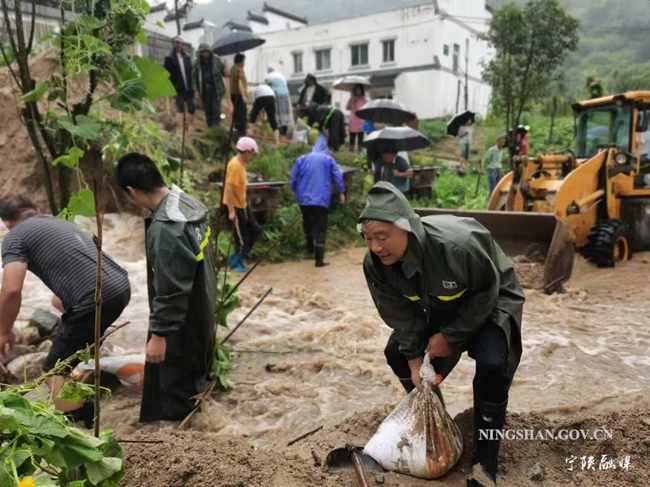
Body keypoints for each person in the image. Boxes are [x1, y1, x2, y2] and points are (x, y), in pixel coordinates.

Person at [358, 182, 524, 487]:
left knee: (492, 365)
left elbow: (488, 290)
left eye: (382, 237)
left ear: (406, 228)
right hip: (440, 305)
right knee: (397, 354)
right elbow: (402, 317)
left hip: (492, 300)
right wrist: (413, 362)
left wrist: (450, 336)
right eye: (368, 238)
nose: (375, 247)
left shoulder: (454, 247)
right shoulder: (377, 265)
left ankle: (486, 463)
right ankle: (437, 431)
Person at [0, 196, 131, 420]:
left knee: (53, 370)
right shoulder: (59, 222)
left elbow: (11, 289)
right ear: (36, 209)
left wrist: (3, 331)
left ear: (8, 223)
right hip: (121, 286)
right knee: (57, 302)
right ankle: (92, 346)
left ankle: (77, 427)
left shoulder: (14, 237)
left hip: (94, 298)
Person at [114, 154, 216, 424]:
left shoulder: (166, 230)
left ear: (132, 191)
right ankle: (198, 425)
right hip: (202, 308)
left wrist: (159, 334)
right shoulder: (185, 202)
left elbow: (172, 289)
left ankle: (184, 444)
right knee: (193, 378)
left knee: (175, 386)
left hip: (181, 323)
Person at [290, 134, 346, 267]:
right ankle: (319, 259)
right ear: (325, 148)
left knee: (307, 223)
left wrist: (297, 191)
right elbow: (337, 177)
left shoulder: (302, 159)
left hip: (304, 200)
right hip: (321, 199)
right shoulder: (328, 159)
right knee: (320, 227)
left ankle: (309, 249)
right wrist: (341, 192)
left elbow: (293, 179)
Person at [224, 137, 261, 273]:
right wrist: (231, 211)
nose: (252, 157)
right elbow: (228, 189)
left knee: (255, 230)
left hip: (243, 205)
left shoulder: (241, 164)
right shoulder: (234, 165)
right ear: (246, 152)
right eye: (252, 154)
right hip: (235, 206)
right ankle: (234, 263)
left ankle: (240, 258)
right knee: (241, 239)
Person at [191, 43, 231, 129]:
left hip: (216, 90)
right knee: (208, 111)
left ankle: (216, 128)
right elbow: (193, 77)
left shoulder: (217, 60)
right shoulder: (197, 63)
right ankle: (210, 128)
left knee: (216, 111)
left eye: (206, 52)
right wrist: (196, 91)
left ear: (210, 52)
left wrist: (226, 71)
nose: (205, 54)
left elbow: (225, 73)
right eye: (203, 52)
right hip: (204, 90)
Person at [163, 36, 195, 133]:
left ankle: (190, 126)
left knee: (191, 107)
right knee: (180, 107)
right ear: (173, 44)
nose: (178, 45)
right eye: (176, 43)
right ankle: (181, 128)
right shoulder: (169, 58)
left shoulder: (187, 57)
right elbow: (167, 74)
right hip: (178, 87)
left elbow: (191, 71)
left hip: (189, 87)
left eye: (179, 43)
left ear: (182, 44)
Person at [265, 65, 294, 137]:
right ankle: (284, 129)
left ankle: (279, 130)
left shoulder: (268, 77)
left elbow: (267, 89)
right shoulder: (281, 76)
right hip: (285, 94)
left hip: (276, 94)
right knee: (284, 112)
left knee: (277, 112)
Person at [230, 53, 248, 139]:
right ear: (240, 62)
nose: (244, 63)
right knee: (242, 117)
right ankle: (242, 136)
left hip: (233, 95)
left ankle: (237, 133)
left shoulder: (232, 69)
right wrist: (243, 95)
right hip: (239, 95)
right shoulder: (239, 70)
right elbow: (240, 83)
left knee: (236, 115)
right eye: (244, 61)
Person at [346, 84, 368, 153]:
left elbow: (367, 108)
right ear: (354, 91)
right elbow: (347, 108)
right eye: (356, 89)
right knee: (352, 136)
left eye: (359, 89)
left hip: (361, 120)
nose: (358, 91)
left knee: (360, 137)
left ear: (361, 90)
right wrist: (352, 101)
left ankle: (360, 150)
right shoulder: (351, 99)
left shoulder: (364, 100)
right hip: (353, 120)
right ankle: (351, 150)